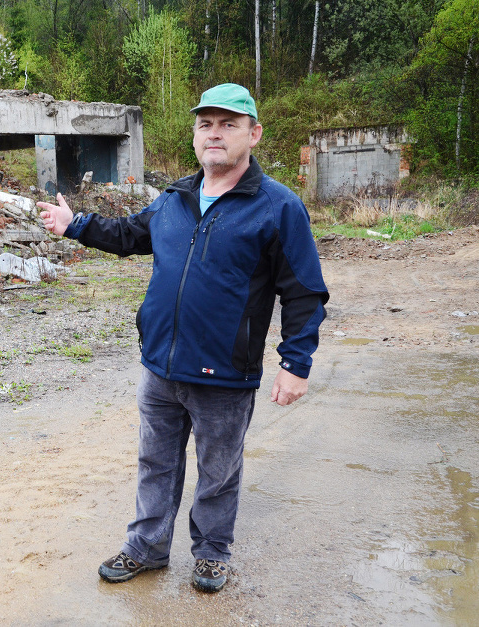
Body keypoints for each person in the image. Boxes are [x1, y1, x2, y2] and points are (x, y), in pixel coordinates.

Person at [36, 83, 329, 593]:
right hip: (160, 366)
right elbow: (129, 234)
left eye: (228, 124)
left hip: (225, 372)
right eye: (205, 124)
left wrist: (295, 363)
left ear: (253, 134)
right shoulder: (174, 198)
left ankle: (212, 552)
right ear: (195, 135)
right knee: (155, 462)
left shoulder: (277, 207)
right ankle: (147, 547)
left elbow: (303, 292)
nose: (214, 134)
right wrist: (75, 224)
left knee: (218, 471)